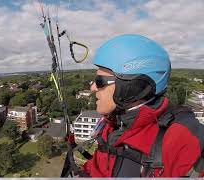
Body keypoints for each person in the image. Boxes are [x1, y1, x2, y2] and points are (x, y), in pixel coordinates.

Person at [81, 34, 204, 177]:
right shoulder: (113, 124)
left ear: (132, 86)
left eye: (100, 81)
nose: (93, 88)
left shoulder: (184, 140)